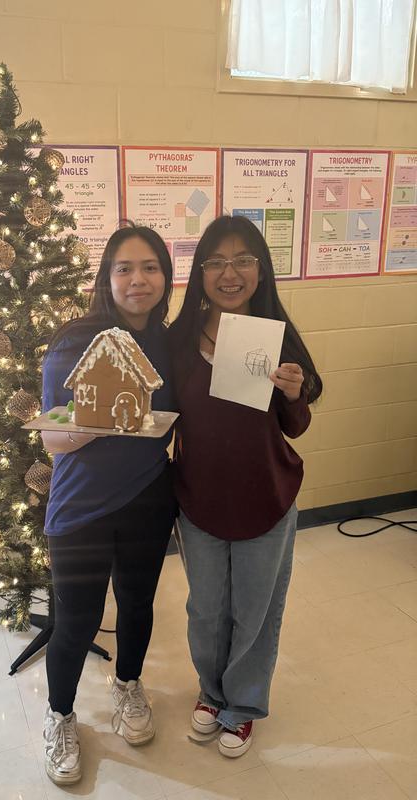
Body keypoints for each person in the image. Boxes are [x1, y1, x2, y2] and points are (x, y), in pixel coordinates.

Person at [169, 214, 322, 759]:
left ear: (261, 269)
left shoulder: (275, 333)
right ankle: (212, 694)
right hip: (200, 499)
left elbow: (296, 424)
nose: (228, 273)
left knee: (255, 610)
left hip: (267, 495)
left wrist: (293, 390)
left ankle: (244, 704)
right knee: (207, 609)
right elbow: (160, 415)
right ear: (200, 271)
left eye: (242, 260)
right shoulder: (179, 338)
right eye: (215, 261)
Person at [40, 224, 178, 785]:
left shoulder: (168, 343)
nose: (138, 279)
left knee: (138, 604)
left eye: (150, 267)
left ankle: (127, 684)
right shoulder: (76, 342)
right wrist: (92, 426)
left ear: (165, 278)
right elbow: (51, 442)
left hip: (148, 498)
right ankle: (60, 717)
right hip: (80, 508)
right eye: (124, 268)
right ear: (107, 278)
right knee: (76, 619)